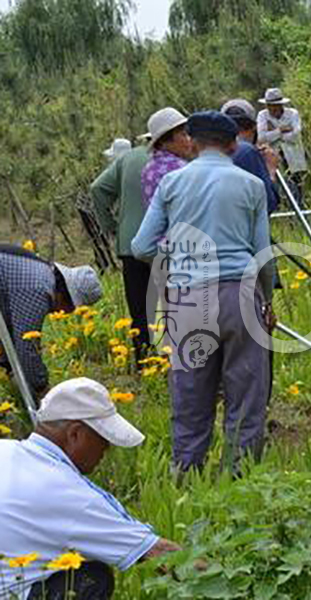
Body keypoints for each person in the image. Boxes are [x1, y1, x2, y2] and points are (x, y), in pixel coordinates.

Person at [132, 111, 276, 473]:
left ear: (193, 142)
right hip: (240, 295)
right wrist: (268, 301)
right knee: (246, 395)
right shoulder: (250, 185)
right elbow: (262, 255)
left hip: (187, 299)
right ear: (232, 144)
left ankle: (185, 476)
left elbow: (141, 246)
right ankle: (241, 479)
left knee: (191, 395)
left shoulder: (173, 184)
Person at [0, 378, 181, 600]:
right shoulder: (67, 492)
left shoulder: (5, 450)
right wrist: (221, 577)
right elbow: (156, 553)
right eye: (103, 439)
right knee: (92, 577)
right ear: (75, 434)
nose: (107, 449)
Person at [0, 247, 101, 396]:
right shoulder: (38, 290)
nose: (67, 312)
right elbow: (26, 346)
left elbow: (9, 330)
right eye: (71, 307)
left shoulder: (42, 272)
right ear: (65, 294)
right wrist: (42, 389)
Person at [91, 139, 152, 363]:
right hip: (168, 244)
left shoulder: (129, 158)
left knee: (139, 307)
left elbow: (97, 189)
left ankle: (143, 358)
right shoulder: (179, 159)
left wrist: (111, 226)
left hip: (130, 243)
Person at [221, 98, 280, 214]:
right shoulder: (246, 151)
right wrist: (270, 170)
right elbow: (267, 204)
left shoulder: (206, 152)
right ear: (253, 128)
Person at [256, 88, 308, 207]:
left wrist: (273, 131)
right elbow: (261, 138)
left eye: (275, 105)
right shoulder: (262, 116)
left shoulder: (292, 113)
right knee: (278, 186)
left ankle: (298, 213)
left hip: (293, 155)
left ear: (281, 105)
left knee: (297, 185)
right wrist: (281, 130)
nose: (272, 108)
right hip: (274, 156)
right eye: (269, 105)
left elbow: (296, 135)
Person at [140, 107, 194, 208]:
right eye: (183, 135)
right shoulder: (180, 168)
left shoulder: (149, 168)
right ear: (166, 141)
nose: (188, 140)